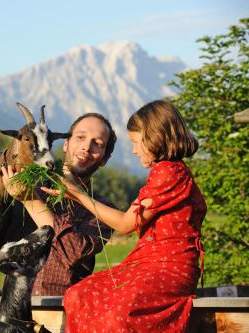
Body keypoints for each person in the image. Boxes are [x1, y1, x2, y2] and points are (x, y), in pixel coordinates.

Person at [39, 100, 206, 332]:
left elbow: (127, 224)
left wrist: (78, 195)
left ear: (155, 137)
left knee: (121, 311)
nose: (135, 150)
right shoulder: (165, 172)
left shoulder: (170, 171)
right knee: (79, 294)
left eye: (136, 143)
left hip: (168, 266)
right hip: (147, 264)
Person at [0, 112, 117, 296]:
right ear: (65, 143)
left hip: (62, 311)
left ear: (104, 158)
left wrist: (29, 200)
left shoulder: (103, 210)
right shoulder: (21, 187)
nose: (86, 147)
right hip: (11, 307)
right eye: (80, 137)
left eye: (98, 144)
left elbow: (71, 252)